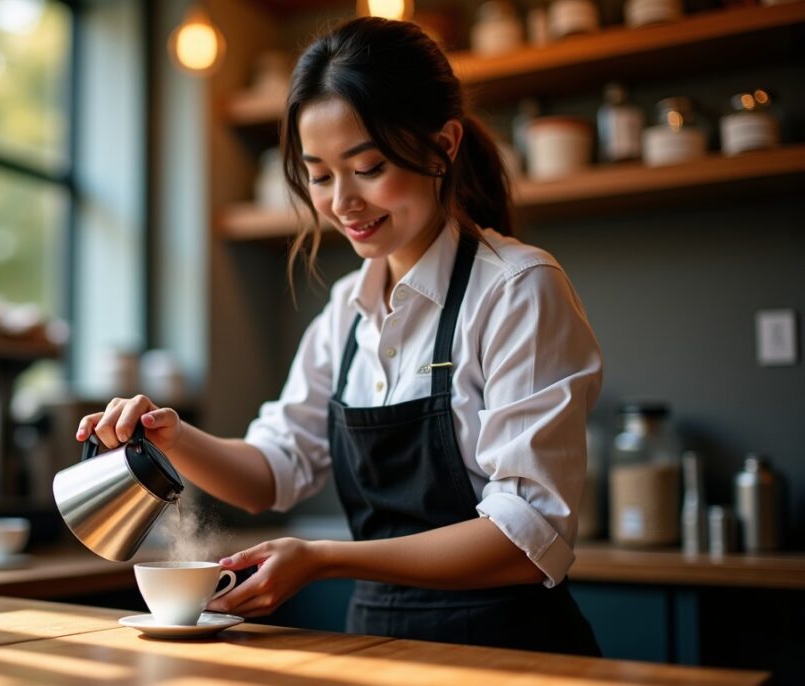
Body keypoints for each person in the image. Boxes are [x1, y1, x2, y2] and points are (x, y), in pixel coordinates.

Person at [77, 17, 603, 656]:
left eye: (369, 166)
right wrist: (173, 434)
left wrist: (326, 558)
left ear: (444, 145)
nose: (343, 201)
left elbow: (527, 535)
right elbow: (273, 470)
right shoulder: (344, 314)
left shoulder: (516, 289)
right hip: (377, 649)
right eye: (321, 175)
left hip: (510, 652)